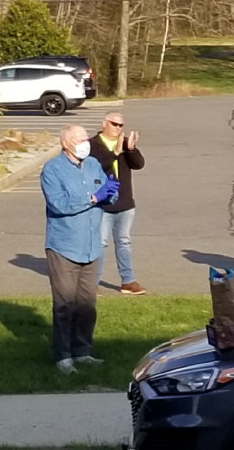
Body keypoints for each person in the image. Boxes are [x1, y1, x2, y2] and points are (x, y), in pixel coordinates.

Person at [40, 124, 116, 374]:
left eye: (86, 138)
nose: (86, 143)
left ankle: (83, 351)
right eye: (80, 139)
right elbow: (59, 205)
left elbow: (107, 192)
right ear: (66, 143)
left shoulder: (93, 164)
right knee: (64, 304)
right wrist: (94, 198)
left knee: (86, 304)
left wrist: (112, 193)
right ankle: (63, 356)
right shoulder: (52, 170)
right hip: (64, 246)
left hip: (92, 246)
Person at [88, 112, 146, 295]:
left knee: (124, 242)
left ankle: (128, 281)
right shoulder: (92, 145)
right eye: (115, 124)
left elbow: (138, 164)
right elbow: (96, 167)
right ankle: (92, 283)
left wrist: (131, 149)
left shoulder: (125, 142)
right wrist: (114, 153)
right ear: (104, 123)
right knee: (101, 243)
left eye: (121, 125)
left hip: (125, 202)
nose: (118, 128)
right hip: (103, 204)